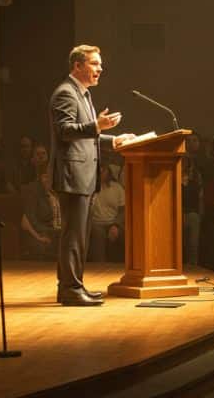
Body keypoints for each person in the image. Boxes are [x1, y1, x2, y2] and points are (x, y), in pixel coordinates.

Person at [49, 44, 135, 306]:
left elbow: (87, 135)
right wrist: (97, 125)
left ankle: (73, 286)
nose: (100, 68)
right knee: (73, 235)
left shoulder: (82, 93)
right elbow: (65, 131)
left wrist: (112, 140)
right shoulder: (66, 93)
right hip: (72, 175)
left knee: (79, 235)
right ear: (78, 66)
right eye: (95, 63)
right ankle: (70, 289)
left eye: (100, 64)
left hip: (82, 176)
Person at [20, 171, 61, 261]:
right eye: (44, 177)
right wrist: (41, 235)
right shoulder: (34, 193)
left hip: (57, 229)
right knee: (44, 245)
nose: (47, 180)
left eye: (49, 177)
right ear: (40, 178)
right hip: (41, 230)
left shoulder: (56, 193)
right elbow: (30, 219)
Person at [88, 164, 125, 262]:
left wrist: (116, 225)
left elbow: (123, 210)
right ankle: (99, 267)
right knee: (98, 235)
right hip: (96, 223)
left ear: (108, 172)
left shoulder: (117, 188)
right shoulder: (90, 187)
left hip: (113, 222)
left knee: (122, 235)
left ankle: (119, 267)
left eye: (103, 171)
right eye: (98, 171)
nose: (101, 173)